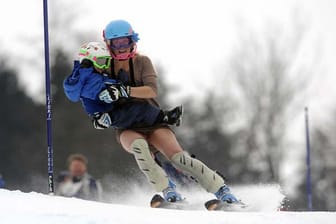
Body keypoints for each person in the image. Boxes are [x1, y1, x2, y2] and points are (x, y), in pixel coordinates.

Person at [92, 19, 240, 204]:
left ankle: (222, 190)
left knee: (179, 159)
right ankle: (168, 190)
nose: (122, 47)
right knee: (140, 148)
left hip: (152, 121)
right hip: (126, 126)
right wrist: (97, 117)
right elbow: (91, 95)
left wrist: (124, 91)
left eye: (125, 41)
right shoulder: (103, 66)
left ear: (132, 41)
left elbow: (151, 90)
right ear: (108, 44)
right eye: (117, 43)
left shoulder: (142, 61)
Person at [63, 42, 182, 130]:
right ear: (88, 62)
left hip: (109, 107)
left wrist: (118, 87)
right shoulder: (86, 78)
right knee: (138, 109)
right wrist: (115, 88)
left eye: (106, 62)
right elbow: (97, 89)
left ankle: (162, 118)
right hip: (107, 114)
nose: (104, 66)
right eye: (101, 62)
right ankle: (164, 117)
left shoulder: (89, 74)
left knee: (137, 107)